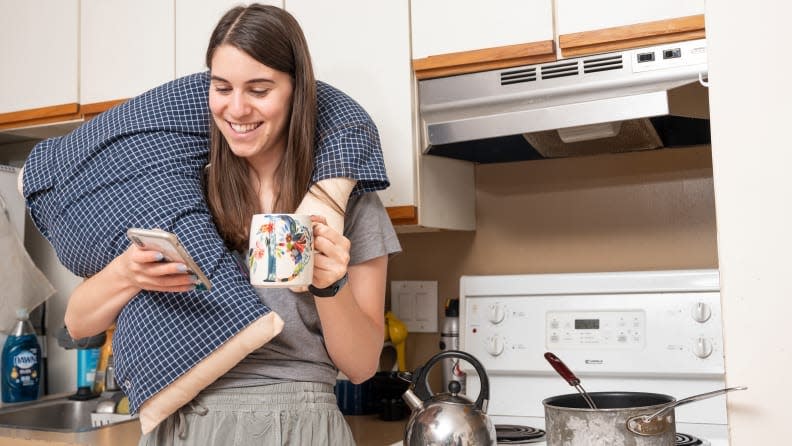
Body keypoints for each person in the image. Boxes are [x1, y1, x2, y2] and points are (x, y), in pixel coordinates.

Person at [63, 4, 401, 445]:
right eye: (222, 88)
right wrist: (128, 273)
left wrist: (330, 286)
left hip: (296, 426)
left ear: (297, 92)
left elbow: (360, 366)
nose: (236, 109)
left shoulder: (351, 205)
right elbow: (77, 323)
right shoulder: (179, 189)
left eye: (259, 89)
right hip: (180, 424)